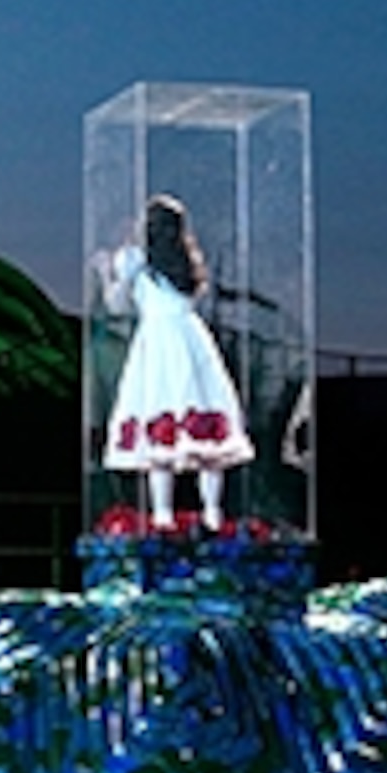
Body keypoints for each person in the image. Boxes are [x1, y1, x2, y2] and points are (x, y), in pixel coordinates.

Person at [99, 194, 255, 532]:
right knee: (202, 422)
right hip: (189, 339)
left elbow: (116, 306)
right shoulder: (187, 263)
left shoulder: (134, 259)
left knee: (160, 420)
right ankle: (212, 511)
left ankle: (163, 513)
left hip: (156, 342)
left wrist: (106, 275)